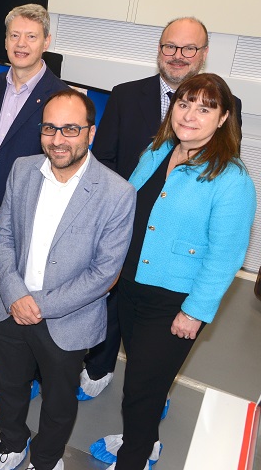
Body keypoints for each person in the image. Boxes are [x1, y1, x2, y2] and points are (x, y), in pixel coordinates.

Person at [91, 73, 256, 470]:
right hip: (128, 286)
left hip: (173, 302)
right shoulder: (159, 149)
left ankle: (134, 456)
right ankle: (143, 440)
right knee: (145, 383)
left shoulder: (232, 179)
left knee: (141, 390)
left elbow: (225, 256)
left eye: (205, 108)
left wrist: (195, 311)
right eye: (184, 103)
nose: (190, 115)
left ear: (223, 118)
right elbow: (128, 208)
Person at [80, 16, 243, 400]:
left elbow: (221, 177)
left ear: (203, 54)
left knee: (154, 356)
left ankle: (152, 394)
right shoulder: (124, 94)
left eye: (189, 48)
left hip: (172, 256)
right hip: (126, 235)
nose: (178, 55)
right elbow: (104, 160)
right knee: (112, 312)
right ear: (159, 50)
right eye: (170, 46)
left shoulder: (227, 103)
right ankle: (100, 369)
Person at [0, 89, 135, 470]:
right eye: (50, 128)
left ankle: (46, 459)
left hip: (67, 320)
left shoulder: (118, 193)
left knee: (59, 402)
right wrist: (15, 294)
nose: (58, 139)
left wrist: (39, 305)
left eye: (70, 129)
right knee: (10, 387)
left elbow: (105, 273)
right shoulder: (23, 169)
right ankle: (12, 444)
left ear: (90, 133)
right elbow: (4, 236)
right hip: (11, 306)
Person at [0, 3, 68, 391]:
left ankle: (30, 373)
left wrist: (6, 211)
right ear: (5, 41)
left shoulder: (58, 98)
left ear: (46, 42)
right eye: (14, 35)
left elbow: (56, 167)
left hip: (27, 218)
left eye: (31, 37)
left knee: (27, 293)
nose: (21, 44)